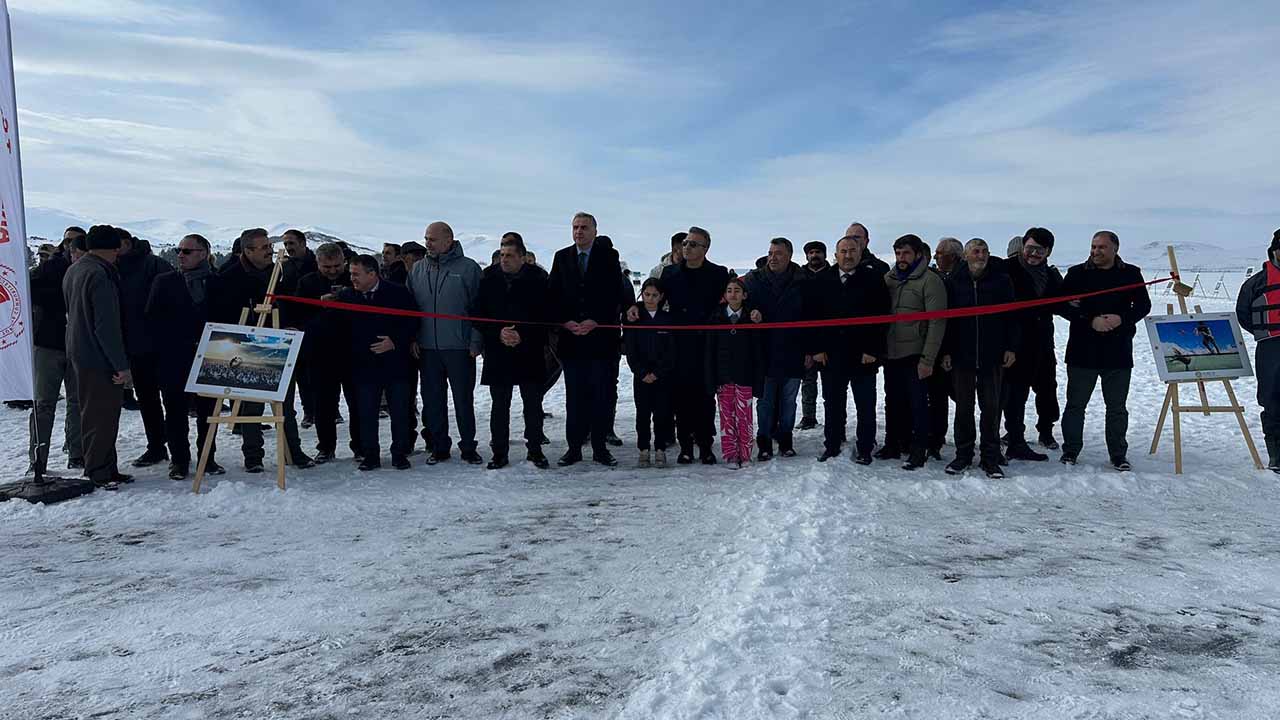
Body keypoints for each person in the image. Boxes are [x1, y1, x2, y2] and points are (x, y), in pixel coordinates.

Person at [217, 227, 314, 472]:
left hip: (279, 343)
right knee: (251, 405)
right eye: (263, 248)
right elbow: (223, 313)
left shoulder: (280, 271)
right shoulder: (229, 276)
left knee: (285, 403)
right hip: (247, 346)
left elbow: (293, 302)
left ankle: (293, 450)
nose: (269, 251)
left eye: (269, 247)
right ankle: (253, 456)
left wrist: (290, 322)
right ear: (247, 250)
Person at [1056, 230, 1151, 470]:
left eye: (1101, 247)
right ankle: (1070, 451)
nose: (1096, 251)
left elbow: (1143, 305)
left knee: (1117, 407)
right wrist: (1090, 319)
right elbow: (1062, 306)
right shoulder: (1077, 274)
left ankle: (1118, 454)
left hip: (1117, 351)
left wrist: (1122, 318)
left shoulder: (1131, 273)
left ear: (1115, 249)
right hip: (1082, 350)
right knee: (1076, 405)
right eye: (1093, 246)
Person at [144, 233, 227, 480]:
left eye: (187, 251)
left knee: (208, 412)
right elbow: (152, 318)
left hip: (210, 356)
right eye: (179, 250)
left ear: (203, 254)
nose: (180, 255)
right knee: (175, 412)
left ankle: (207, 458)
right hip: (174, 358)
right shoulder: (164, 281)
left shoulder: (218, 283)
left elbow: (227, 319)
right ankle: (179, 461)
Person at [546, 212, 625, 467]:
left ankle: (600, 448)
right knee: (575, 397)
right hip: (572, 340)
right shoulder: (562, 257)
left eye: (584, 227)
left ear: (594, 231)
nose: (579, 232)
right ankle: (574, 448)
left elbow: (614, 294)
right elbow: (553, 294)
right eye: (575, 227)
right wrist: (564, 321)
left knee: (600, 395)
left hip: (600, 339)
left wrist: (596, 320)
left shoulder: (608, 257)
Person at [939, 239, 1018, 478]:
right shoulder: (954, 281)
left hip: (992, 355)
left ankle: (990, 457)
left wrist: (1011, 347)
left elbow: (1011, 317)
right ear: (965, 255)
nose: (980, 255)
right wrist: (946, 351)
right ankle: (963, 455)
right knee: (964, 408)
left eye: (984, 251)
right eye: (976, 251)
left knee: (991, 408)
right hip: (962, 355)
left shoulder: (1001, 280)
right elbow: (947, 320)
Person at [408, 221, 484, 465]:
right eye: (425, 238)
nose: (427, 243)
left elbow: (479, 309)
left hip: (459, 347)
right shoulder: (418, 270)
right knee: (432, 401)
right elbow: (409, 310)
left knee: (463, 400)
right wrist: (413, 338)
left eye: (431, 239)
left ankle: (468, 447)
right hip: (428, 348)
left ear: (448, 240)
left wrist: (475, 340)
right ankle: (439, 447)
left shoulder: (469, 268)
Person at [810, 235, 890, 465]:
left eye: (852, 250)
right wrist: (817, 349)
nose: (848, 255)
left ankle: (865, 447)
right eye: (843, 251)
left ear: (860, 252)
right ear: (836, 255)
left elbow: (882, 317)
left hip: (863, 355)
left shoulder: (874, 279)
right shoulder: (822, 280)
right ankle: (832, 445)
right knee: (833, 404)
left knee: (865, 404)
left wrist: (872, 350)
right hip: (830, 355)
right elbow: (811, 316)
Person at [653, 226, 730, 464]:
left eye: (693, 244)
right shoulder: (669, 273)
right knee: (681, 398)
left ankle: (705, 445)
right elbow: (654, 298)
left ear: (705, 249)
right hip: (678, 345)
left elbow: (729, 302)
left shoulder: (718, 273)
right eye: (685, 243)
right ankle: (685, 445)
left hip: (706, 345)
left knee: (705, 397)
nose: (686, 247)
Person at [62, 225, 132, 488]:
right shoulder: (101, 274)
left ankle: (106, 467)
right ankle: (99, 471)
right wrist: (121, 365)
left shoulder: (76, 269)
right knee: (101, 416)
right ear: (114, 248)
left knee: (93, 413)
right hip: (98, 356)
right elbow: (106, 325)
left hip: (79, 350)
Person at [475, 240, 550, 470]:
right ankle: (499, 452)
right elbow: (477, 313)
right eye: (502, 254)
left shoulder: (538, 279)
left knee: (533, 405)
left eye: (509, 255)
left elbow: (548, 315)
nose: (504, 259)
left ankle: (535, 450)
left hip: (530, 351)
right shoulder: (488, 279)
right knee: (499, 405)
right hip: (498, 351)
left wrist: (523, 335)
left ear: (522, 257)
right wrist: (498, 332)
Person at [338, 255, 418, 470]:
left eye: (356, 274)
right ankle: (370, 455)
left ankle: (400, 454)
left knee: (400, 411)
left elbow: (413, 322)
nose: (352, 278)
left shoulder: (398, 292)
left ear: (372, 274)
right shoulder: (347, 297)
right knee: (366, 413)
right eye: (351, 273)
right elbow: (336, 328)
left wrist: (395, 342)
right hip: (364, 366)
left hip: (396, 364)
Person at [743, 237, 812, 460]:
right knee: (765, 402)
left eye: (778, 253)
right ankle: (764, 442)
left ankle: (785, 440)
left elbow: (812, 317)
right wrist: (750, 312)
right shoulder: (754, 280)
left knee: (789, 401)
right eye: (771, 252)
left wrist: (810, 350)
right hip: (764, 351)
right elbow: (740, 306)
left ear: (790, 256)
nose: (773, 257)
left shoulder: (803, 280)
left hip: (794, 351)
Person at [883, 234, 948, 470]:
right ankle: (893, 444)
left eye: (906, 253)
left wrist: (927, 359)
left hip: (916, 353)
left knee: (919, 404)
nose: (901, 258)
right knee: (893, 401)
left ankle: (919, 449)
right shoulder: (889, 279)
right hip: (892, 353)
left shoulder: (930, 281)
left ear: (918, 254)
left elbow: (937, 322)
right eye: (898, 253)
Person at [295, 242, 361, 463]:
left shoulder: (354, 280)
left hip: (351, 351)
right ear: (318, 263)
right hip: (320, 353)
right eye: (327, 267)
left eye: (337, 266)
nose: (333, 271)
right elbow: (297, 316)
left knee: (358, 403)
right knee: (323, 405)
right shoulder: (307, 283)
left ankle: (360, 446)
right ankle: (325, 447)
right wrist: (318, 304)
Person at [26, 227, 84, 476]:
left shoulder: (86, 267)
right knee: (44, 404)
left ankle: (77, 453)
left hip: (76, 344)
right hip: (49, 343)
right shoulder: (50, 268)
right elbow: (28, 289)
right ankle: (38, 459)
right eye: (69, 242)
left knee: (77, 401)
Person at [1002, 226, 1064, 458]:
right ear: (1022, 247)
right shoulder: (1006, 269)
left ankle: (1046, 431)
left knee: (1047, 389)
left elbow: (1062, 303)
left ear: (1048, 252)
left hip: (1043, 342)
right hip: (1014, 344)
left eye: (1040, 250)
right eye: (1030, 248)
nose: (1034, 254)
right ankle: (1014, 436)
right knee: (1015, 392)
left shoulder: (1051, 275)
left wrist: (1082, 309)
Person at [115, 228, 172, 468]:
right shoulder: (113, 267)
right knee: (147, 401)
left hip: (163, 345)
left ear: (127, 243)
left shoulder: (155, 265)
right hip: (135, 346)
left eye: (116, 246)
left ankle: (179, 450)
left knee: (172, 400)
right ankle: (156, 447)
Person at [705, 277, 765, 468]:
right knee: (726, 418)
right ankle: (730, 455)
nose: (733, 294)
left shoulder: (751, 318)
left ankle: (745, 454)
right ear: (724, 295)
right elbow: (709, 351)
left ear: (744, 295)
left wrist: (758, 379)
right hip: (723, 377)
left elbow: (757, 351)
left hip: (745, 376)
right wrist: (711, 378)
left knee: (745, 417)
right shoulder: (716, 317)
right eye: (729, 290)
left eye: (737, 290)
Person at [1238, 230, 1280, 470]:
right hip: (1270, 347)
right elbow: (1243, 314)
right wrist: (1264, 333)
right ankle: (1276, 455)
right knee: (1272, 401)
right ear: (1274, 250)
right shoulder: (1256, 283)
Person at [625, 278, 676, 468]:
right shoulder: (634, 317)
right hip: (641, 376)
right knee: (643, 414)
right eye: (647, 294)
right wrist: (641, 372)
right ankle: (644, 449)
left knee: (662, 414)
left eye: (655, 295)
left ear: (661, 296)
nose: (651, 298)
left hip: (662, 376)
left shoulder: (667, 319)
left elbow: (671, 352)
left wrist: (658, 373)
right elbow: (631, 351)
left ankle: (660, 449)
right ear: (642, 295)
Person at [926, 237, 964, 458]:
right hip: (938, 348)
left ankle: (963, 443)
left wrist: (949, 350)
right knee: (937, 398)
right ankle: (935, 441)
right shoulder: (936, 277)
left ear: (954, 256)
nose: (936, 257)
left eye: (940, 253)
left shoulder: (963, 279)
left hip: (959, 349)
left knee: (962, 399)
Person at [798, 240, 830, 431]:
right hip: (806, 337)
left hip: (829, 337)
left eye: (818, 252)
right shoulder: (800, 276)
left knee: (830, 384)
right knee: (808, 381)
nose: (814, 255)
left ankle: (832, 417)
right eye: (811, 252)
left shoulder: (833, 275)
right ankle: (808, 416)